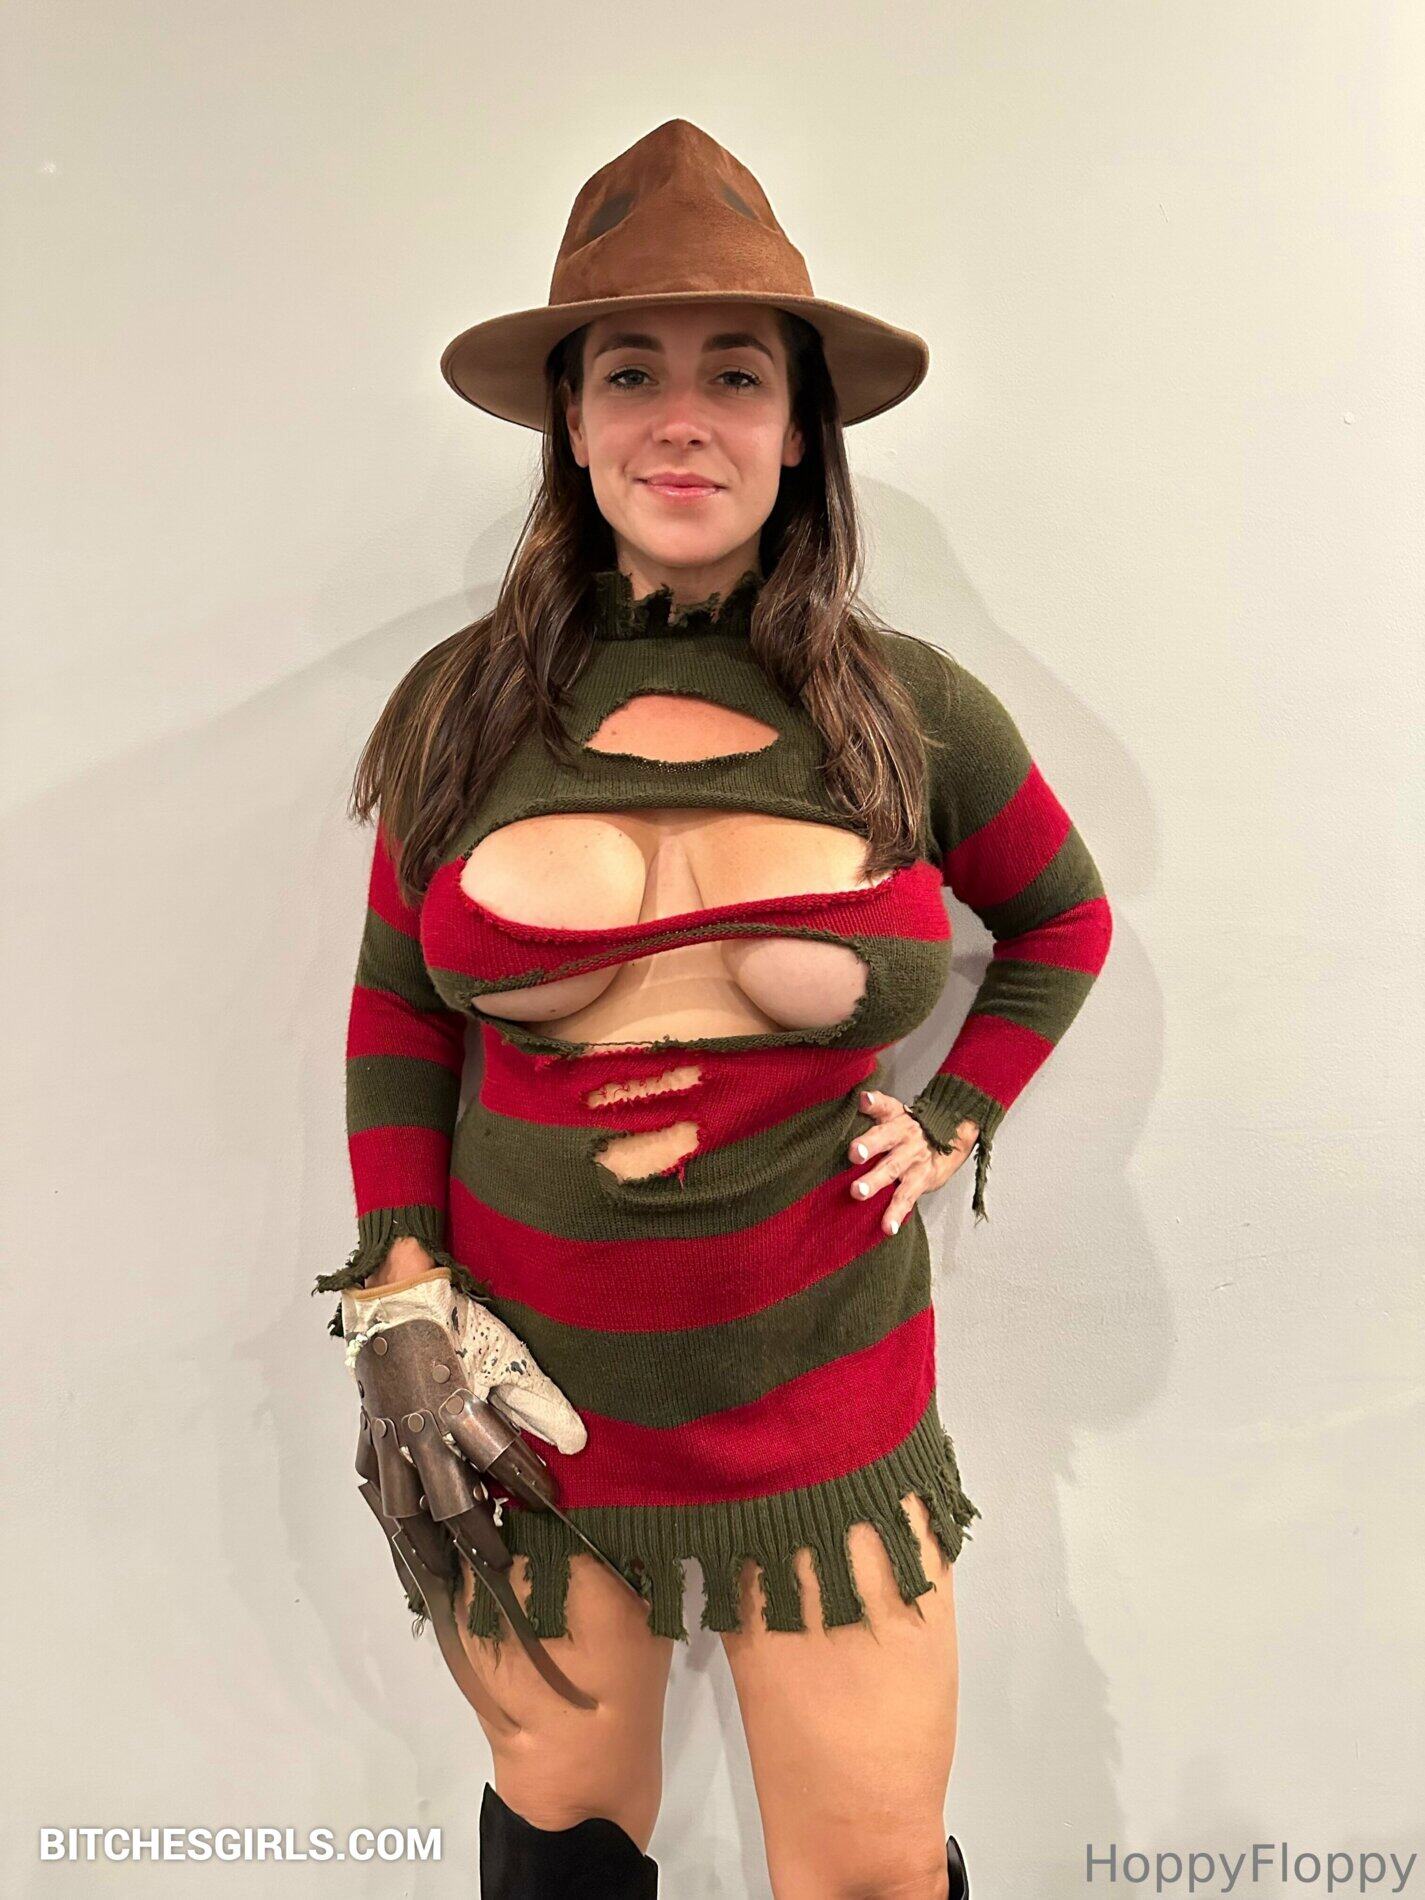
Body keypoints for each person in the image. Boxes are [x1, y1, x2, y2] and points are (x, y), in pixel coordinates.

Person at [316, 118, 1113, 1900]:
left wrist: (959, 1112)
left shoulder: (908, 710)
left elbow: (1059, 919)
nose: (681, 419)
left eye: (734, 374)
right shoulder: (463, 708)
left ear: (798, 424)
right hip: (524, 1402)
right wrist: (398, 1291)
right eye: (630, 372)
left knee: (870, 1866)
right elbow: (397, 1009)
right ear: (571, 419)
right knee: (560, 1825)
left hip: (818, 1402)